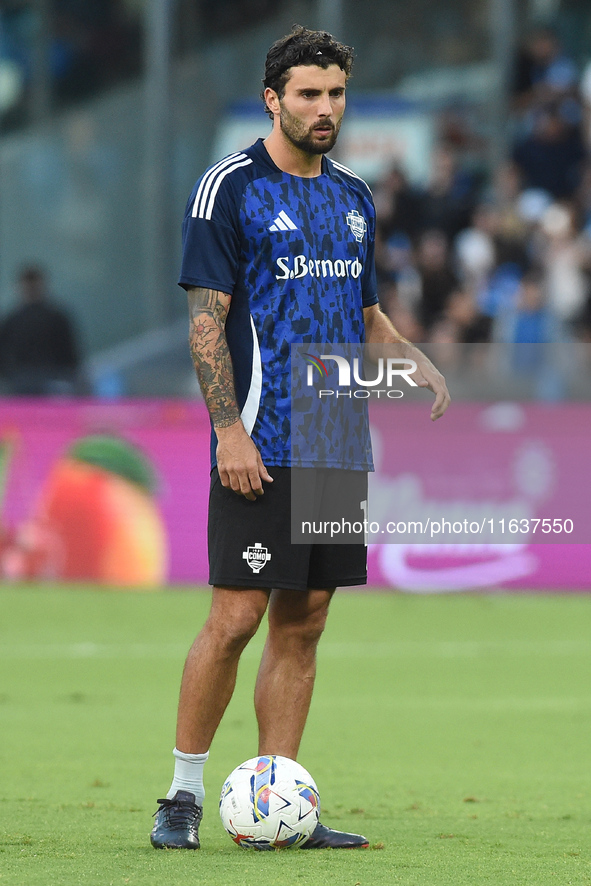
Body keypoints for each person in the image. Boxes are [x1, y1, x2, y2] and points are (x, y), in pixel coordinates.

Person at [150, 25, 450, 851]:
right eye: (309, 94)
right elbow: (204, 324)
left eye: (336, 94)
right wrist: (225, 431)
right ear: (273, 99)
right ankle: (180, 796)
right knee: (236, 618)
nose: (325, 109)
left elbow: (363, 312)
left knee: (305, 620)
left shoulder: (352, 195)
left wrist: (411, 357)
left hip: (331, 429)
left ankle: (277, 802)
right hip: (260, 429)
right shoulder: (229, 188)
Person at [0, 265, 81, 395]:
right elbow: (71, 356)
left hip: (31, 381)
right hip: (42, 380)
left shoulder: (12, 319)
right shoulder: (57, 316)